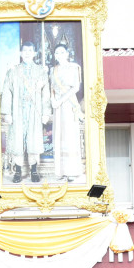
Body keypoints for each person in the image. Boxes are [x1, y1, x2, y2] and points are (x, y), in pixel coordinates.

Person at [0, 40, 49, 183]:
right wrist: (7, 113)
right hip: (17, 111)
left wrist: (46, 112)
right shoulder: (13, 71)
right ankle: (18, 171)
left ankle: (34, 171)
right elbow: (7, 92)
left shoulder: (41, 71)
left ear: (34, 53)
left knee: (34, 140)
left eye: (30, 51)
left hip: (34, 111)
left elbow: (45, 93)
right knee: (17, 140)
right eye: (25, 51)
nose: (27, 53)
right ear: (21, 53)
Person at [49, 40, 84, 181]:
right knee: (59, 135)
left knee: (69, 135)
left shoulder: (74, 67)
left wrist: (60, 100)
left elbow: (75, 87)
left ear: (67, 54)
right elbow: (52, 87)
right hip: (57, 106)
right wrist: (53, 100)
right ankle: (61, 171)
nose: (59, 54)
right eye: (57, 52)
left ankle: (71, 171)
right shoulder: (53, 70)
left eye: (62, 52)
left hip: (69, 104)